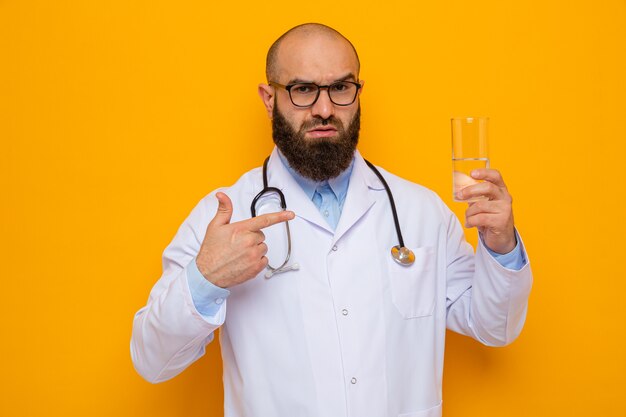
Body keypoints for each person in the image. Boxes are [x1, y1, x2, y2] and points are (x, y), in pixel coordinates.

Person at [131, 23, 532, 417]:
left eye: (341, 88)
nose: (325, 110)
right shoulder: (225, 215)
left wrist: (501, 245)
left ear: (358, 93)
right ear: (269, 99)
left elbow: (495, 327)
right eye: (303, 90)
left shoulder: (419, 211)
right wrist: (206, 278)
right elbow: (153, 360)